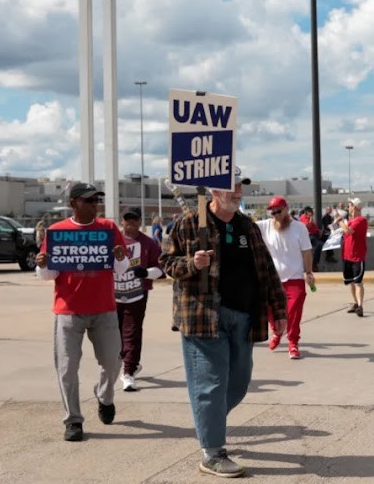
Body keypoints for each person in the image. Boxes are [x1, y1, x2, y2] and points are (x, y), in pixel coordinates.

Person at [160, 177, 288, 478]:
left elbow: (267, 270)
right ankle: (212, 452)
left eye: (241, 187)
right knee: (211, 384)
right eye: (233, 187)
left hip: (243, 317)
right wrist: (192, 264)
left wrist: (278, 310)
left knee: (240, 382)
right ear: (215, 191)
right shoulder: (190, 223)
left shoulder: (247, 226)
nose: (239, 193)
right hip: (203, 317)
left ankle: (209, 420)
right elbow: (167, 263)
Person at [35, 182, 129, 442]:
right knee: (67, 367)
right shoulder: (57, 232)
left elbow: (121, 269)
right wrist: (42, 265)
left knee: (113, 362)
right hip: (68, 311)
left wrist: (120, 257)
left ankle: (104, 395)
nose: (94, 205)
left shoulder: (109, 229)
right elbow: (49, 275)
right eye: (88, 200)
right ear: (74, 203)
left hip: (104, 309)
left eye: (96, 200)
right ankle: (73, 420)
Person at [256, 197, 315, 359]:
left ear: (286, 209)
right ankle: (277, 331)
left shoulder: (299, 228)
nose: (275, 215)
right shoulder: (265, 226)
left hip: (294, 278)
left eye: (278, 211)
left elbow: (307, 251)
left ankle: (293, 343)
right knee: (269, 310)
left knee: (293, 313)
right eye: (272, 212)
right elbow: (245, 225)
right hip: (272, 280)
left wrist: (309, 272)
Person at [114, 207, 164, 391]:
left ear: (140, 222)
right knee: (115, 333)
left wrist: (146, 272)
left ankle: (128, 372)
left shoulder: (148, 243)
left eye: (135, 220)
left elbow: (160, 269)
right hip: (113, 294)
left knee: (132, 331)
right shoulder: (113, 240)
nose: (131, 223)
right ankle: (130, 361)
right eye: (127, 219)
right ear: (122, 221)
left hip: (138, 294)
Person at [340, 197, 368, 317]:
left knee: (358, 282)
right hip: (347, 256)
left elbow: (348, 231)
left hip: (357, 257)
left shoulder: (361, 220)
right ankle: (356, 304)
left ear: (355, 207)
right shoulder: (351, 220)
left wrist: (339, 220)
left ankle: (360, 306)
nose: (348, 207)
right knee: (350, 282)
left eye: (350, 205)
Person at [299, 206, 324, 271]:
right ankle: (314, 263)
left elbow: (313, 227)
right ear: (307, 212)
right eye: (311, 211)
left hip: (316, 233)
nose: (313, 212)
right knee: (319, 244)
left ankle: (329, 255)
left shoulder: (308, 217)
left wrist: (319, 231)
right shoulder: (303, 217)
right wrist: (311, 218)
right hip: (310, 235)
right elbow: (308, 226)